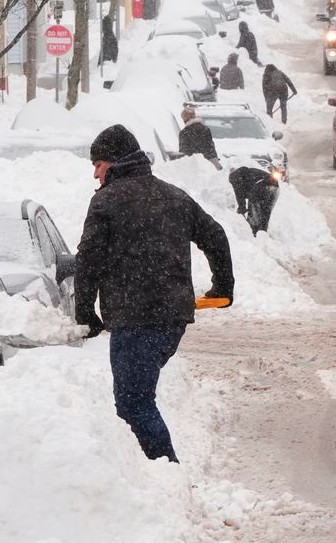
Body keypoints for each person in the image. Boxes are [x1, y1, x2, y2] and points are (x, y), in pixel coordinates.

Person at [75, 124, 235, 463]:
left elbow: (88, 261)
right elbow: (216, 236)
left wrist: (85, 313)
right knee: (137, 398)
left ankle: (165, 473)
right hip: (172, 319)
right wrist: (223, 286)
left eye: (98, 164)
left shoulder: (106, 202)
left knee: (134, 402)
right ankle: (144, 472)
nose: (94, 174)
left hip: (135, 319)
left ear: (115, 162)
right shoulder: (174, 196)